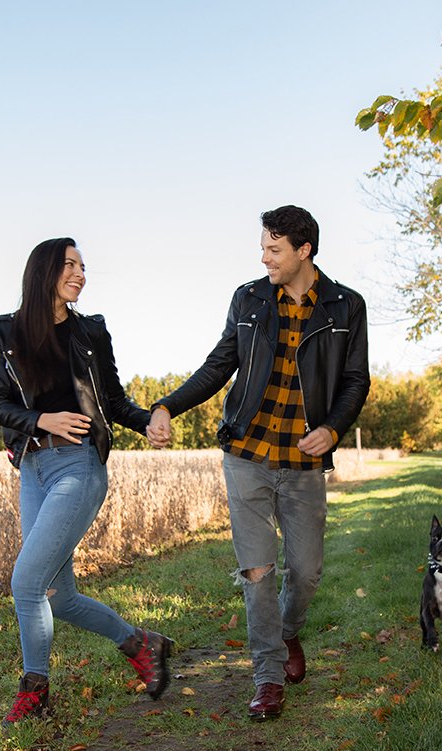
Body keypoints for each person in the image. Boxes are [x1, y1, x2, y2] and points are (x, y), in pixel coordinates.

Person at [147, 206, 369, 721]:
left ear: (303, 251)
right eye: (263, 248)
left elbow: (356, 379)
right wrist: (167, 406)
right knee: (258, 570)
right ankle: (267, 677)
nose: (264, 258)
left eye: (274, 249)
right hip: (246, 454)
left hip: (304, 461)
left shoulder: (345, 306)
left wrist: (334, 428)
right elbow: (218, 365)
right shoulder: (249, 299)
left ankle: (286, 632)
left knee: (306, 572)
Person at [0, 237, 174, 725]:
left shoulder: (90, 331)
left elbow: (112, 400)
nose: (80, 274)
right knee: (58, 595)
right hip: (34, 468)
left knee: (26, 582)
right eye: (70, 265)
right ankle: (142, 644)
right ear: (43, 272)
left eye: (83, 266)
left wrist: (147, 422)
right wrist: (40, 420)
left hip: (78, 466)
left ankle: (35, 693)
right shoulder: (5, 331)